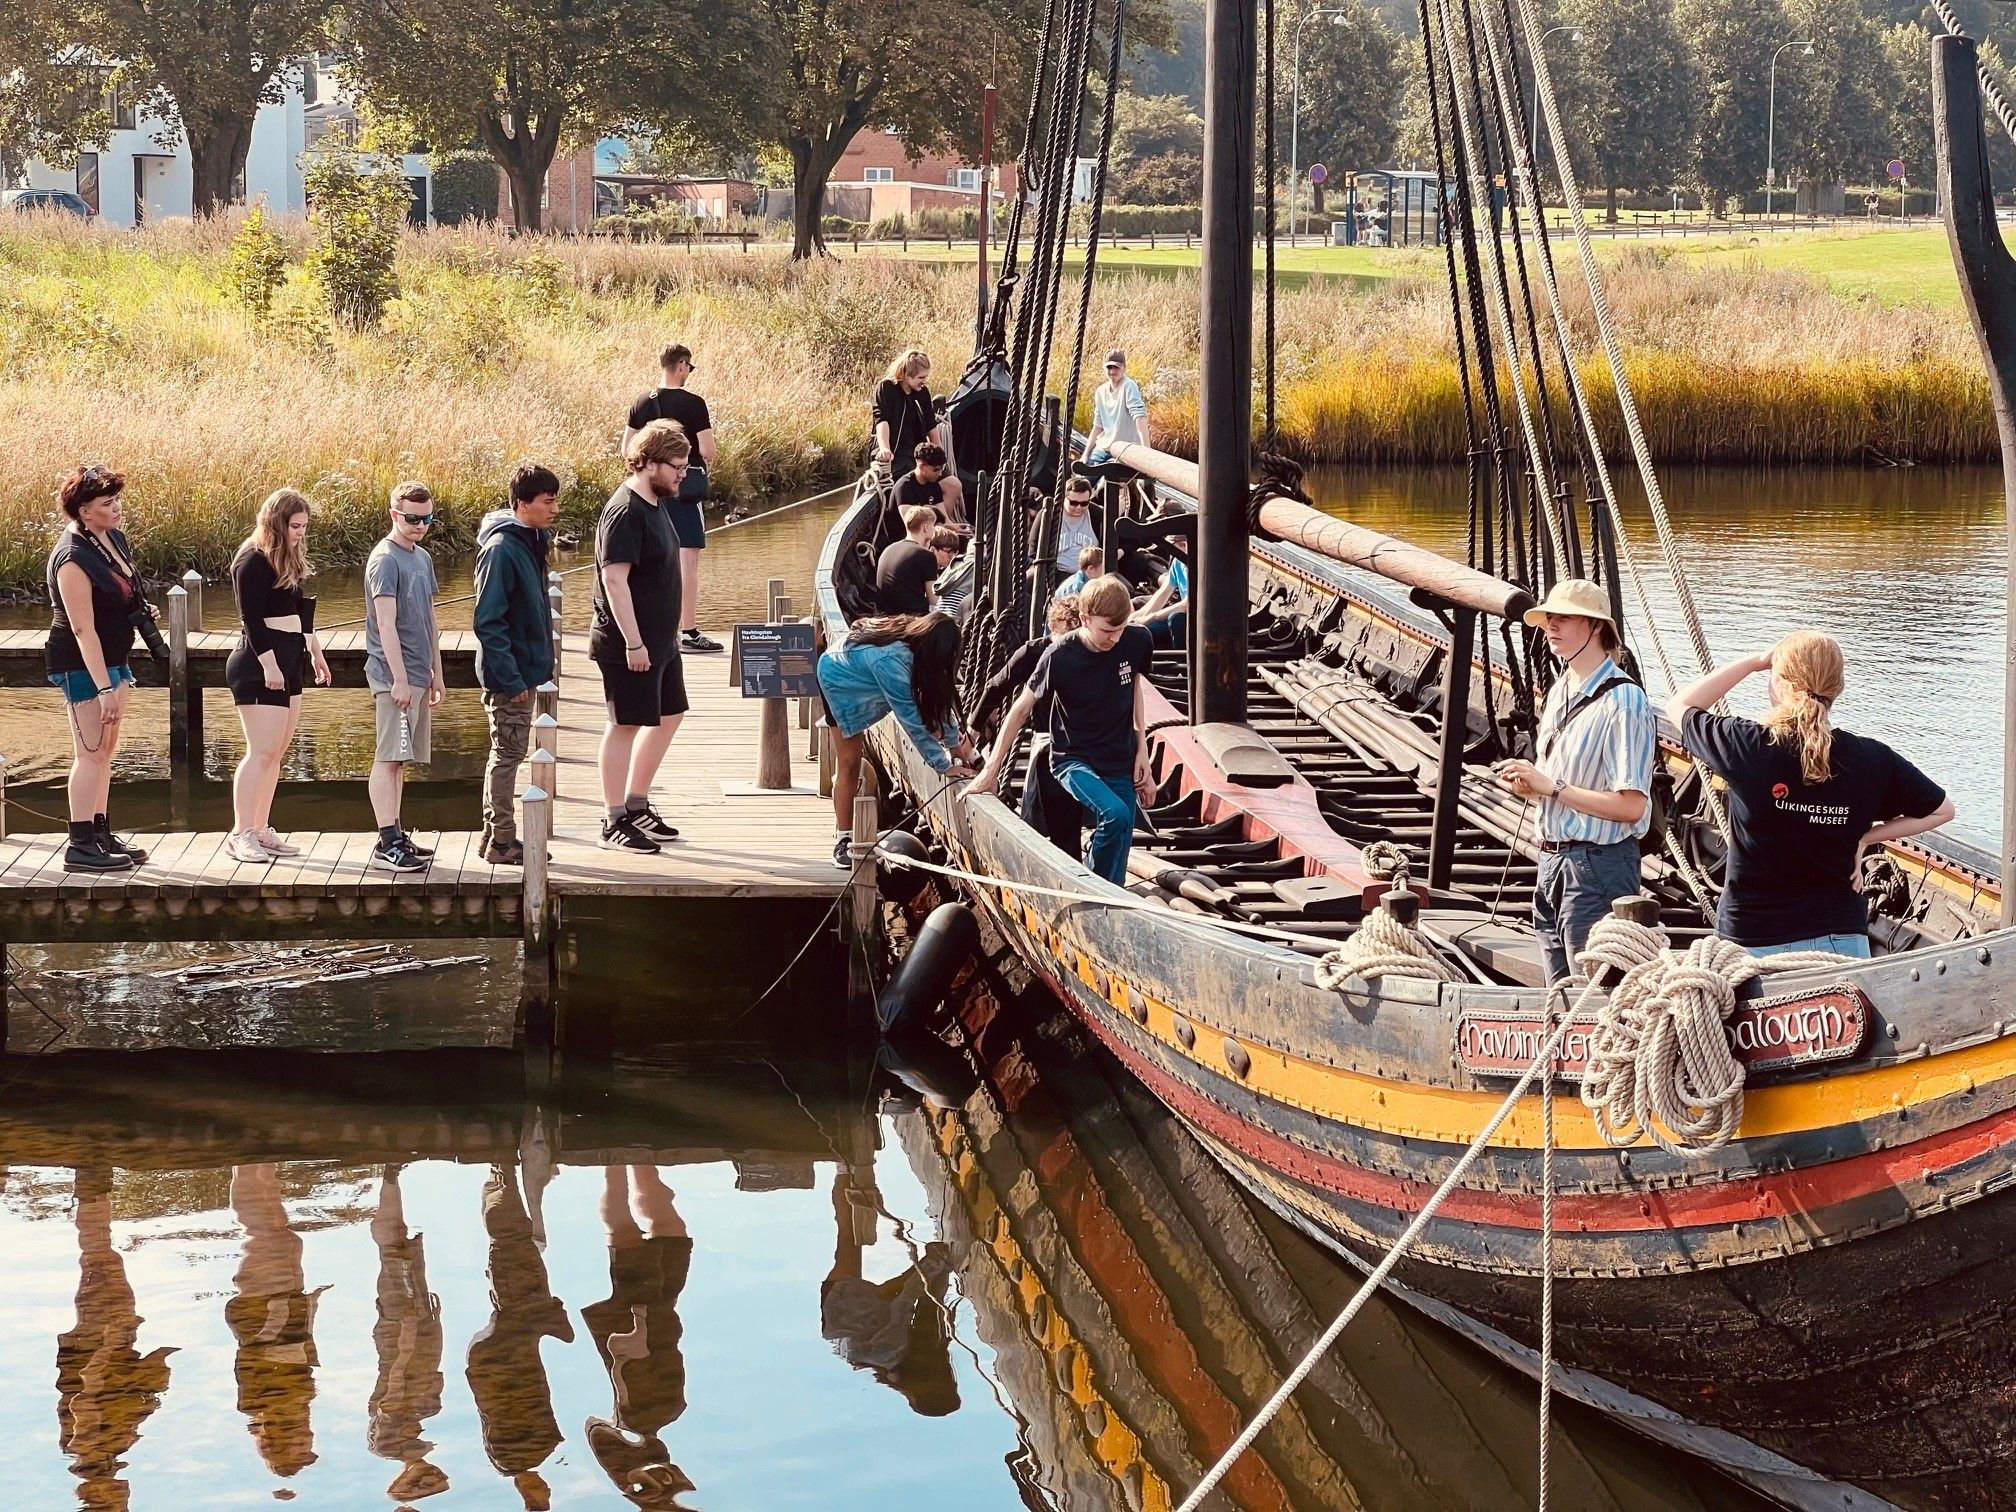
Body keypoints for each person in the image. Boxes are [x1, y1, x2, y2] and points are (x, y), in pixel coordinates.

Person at [1666, 630, 1953, 957]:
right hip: (1842, 940)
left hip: (1753, 940)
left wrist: (1754, 662)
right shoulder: (1873, 759)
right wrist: (1865, 838)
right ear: (1838, 688)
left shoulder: (1747, 745)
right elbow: (1942, 811)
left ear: (1778, 684)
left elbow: (1680, 705)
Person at [1492, 578, 1658, 982]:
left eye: (1564, 619)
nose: (1551, 627)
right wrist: (1530, 788)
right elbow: (1559, 789)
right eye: (1549, 618)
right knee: (1561, 993)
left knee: (1595, 997)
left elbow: (1632, 807)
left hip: (1595, 868)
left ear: (1597, 627)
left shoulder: (1625, 702)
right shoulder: (1561, 689)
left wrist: (1553, 788)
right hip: (1550, 860)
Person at [970, 576, 1155, 886]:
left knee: (1123, 831)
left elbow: (1136, 689)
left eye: (1121, 629)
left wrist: (1143, 751)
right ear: (1085, 619)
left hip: (1118, 754)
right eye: (1107, 631)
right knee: (1116, 814)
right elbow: (1020, 710)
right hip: (1074, 758)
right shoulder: (1059, 656)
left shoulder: (1137, 640)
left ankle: (1111, 893)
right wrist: (991, 769)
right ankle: (1095, 890)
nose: (1115, 639)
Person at [45, 464, 154, 873]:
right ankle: (80, 844)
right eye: (108, 503)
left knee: (105, 752)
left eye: (116, 500)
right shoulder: (72, 557)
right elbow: (80, 628)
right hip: (82, 664)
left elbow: (117, 595)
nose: (117, 508)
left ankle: (101, 831)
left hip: (113, 658)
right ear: (84, 511)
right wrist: (104, 687)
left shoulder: (113, 539)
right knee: (89, 754)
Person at [591, 420, 690, 854]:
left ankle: (636, 803)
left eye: (686, 466)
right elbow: (615, 580)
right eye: (676, 466)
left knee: (671, 714)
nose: (682, 474)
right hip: (629, 643)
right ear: (648, 462)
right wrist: (633, 642)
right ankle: (613, 818)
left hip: (660, 641)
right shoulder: (625, 510)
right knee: (624, 724)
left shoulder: (654, 500)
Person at [816, 613, 976, 868]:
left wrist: (955, 745)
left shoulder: (914, 643)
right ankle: (842, 840)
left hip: (861, 670)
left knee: (920, 705)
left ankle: (844, 836)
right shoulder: (891, 659)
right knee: (849, 763)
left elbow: (938, 697)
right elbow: (909, 716)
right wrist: (943, 765)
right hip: (836, 678)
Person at [224, 488, 332, 864]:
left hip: (290, 657)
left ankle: (261, 827)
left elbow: (300, 612)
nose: (301, 532)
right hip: (258, 662)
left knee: (278, 752)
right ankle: (241, 833)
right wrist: (269, 664)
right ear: (277, 522)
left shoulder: (287, 557)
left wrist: (315, 652)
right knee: (261, 751)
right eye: (295, 526)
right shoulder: (251, 559)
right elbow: (250, 618)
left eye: (304, 526)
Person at [582, 1166, 695, 1510]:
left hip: (637, 1329)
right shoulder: (668, 1412)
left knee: (625, 1236)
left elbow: (595, 1429)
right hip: (661, 1321)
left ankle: (613, 1162)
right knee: (673, 1235)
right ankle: (641, 1160)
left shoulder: (637, 1422)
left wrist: (624, 1344)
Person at [473, 461, 560, 865]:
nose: (554, 508)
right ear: (522, 503)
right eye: (548, 500)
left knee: (505, 752)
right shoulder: (502, 549)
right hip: (510, 676)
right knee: (507, 754)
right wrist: (511, 677)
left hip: (524, 670)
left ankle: (493, 836)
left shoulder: (529, 540)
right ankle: (503, 841)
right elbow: (489, 622)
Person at [363, 481, 444, 874]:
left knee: (401, 760)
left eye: (427, 518)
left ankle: (397, 832)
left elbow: (430, 618)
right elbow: (386, 624)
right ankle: (386, 841)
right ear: (395, 515)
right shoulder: (385, 560)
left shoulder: (423, 559)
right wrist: (397, 679)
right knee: (388, 757)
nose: (421, 525)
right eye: (413, 518)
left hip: (418, 672)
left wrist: (437, 673)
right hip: (391, 674)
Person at [624, 343, 722, 654]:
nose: (688, 373)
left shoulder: (641, 402)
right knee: (687, 561)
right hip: (684, 490)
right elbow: (707, 450)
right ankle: (689, 631)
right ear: (681, 365)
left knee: (650, 559)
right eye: (689, 367)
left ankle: (655, 630)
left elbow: (626, 450)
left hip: (649, 489)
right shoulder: (694, 404)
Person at [367, 1165, 448, 1505]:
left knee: (394, 1251)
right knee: (406, 1251)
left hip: (404, 1332)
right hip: (419, 1330)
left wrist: (407, 1335)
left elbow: (393, 1383)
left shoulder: (387, 1443)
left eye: (429, 1478)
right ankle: (390, 1178)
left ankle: (388, 1177)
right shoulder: (425, 1414)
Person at [873, 348, 965, 523]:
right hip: (897, 457)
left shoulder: (922, 393)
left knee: (953, 485)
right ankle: (914, 531)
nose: (924, 382)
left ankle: (938, 527)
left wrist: (940, 457)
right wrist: (885, 448)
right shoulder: (886, 388)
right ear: (906, 374)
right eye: (921, 378)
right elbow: (881, 420)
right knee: (911, 491)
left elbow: (931, 426)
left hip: (919, 455)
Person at [873, 506, 951, 616]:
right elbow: (934, 600)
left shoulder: (889, 549)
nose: (934, 529)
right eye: (933, 526)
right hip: (912, 618)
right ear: (926, 527)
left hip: (884, 615)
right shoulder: (926, 555)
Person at [1084, 348, 1150, 464]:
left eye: (1117, 367)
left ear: (1124, 368)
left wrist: (1147, 452)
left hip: (1126, 450)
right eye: (1109, 367)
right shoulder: (1101, 391)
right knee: (1084, 477)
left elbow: (1139, 417)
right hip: (1104, 447)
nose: (1113, 371)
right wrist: (1085, 454)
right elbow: (1098, 425)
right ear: (1104, 368)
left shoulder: (1128, 386)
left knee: (1112, 479)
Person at [1131, 543, 1189, 650]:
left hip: (1199, 621)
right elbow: (1162, 595)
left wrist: (1152, 617)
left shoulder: (1203, 562)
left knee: (1176, 618)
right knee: (1142, 631)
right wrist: (1132, 619)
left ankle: (1183, 660)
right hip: (1182, 615)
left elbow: (1189, 603)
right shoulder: (1178, 562)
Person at [1048, 474, 1101, 589]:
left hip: (1089, 575)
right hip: (1056, 573)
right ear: (1064, 498)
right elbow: (1033, 547)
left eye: (1084, 504)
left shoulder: (1097, 514)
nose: (1078, 507)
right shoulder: (1050, 514)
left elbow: (1121, 541)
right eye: (1073, 503)